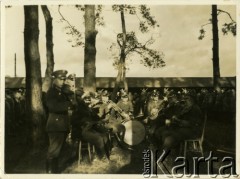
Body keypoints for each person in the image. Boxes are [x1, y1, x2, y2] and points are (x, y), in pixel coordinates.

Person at [154, 92, 203, 163]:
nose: (185, 100)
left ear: (192, 100)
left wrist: (178, 120)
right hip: (182, 129)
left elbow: (191, 124)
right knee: (162, 132)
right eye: (185, 99)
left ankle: (163, 157)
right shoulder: (186, 108)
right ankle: (167, 154)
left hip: (192, 131)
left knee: (169, 139)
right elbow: (178, 118)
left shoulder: (195, 109)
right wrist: (175, 119)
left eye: (187, 99)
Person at [45, 70, 74, 173]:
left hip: (62, 125)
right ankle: (50, 173)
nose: (63, 81)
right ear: (54, 79)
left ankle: (55, 171)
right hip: (55, 125)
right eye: (60, 79)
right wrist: (68, 104)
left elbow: (72, 103)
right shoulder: (51, 92)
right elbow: (53, 107)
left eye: (64, 79)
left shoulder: (62, 92)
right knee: (53, 150)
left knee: (58, 150)